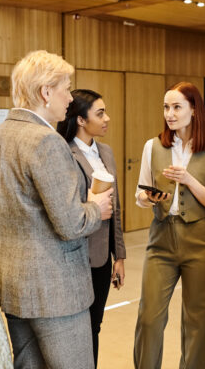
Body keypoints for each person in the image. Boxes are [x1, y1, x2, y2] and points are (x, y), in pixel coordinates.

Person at [0, 50, 114, 369]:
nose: (69, 98)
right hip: (55, 290)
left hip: (12, 284)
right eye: (66, 88)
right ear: (45, 92)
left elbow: (1, 211)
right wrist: (96, 207)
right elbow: (71, 223)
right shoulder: (46, 142)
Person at [134, 81, 205, 369]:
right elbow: (140, 195)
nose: (169, 114)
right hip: (161, 239)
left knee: (196, 323)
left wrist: (189, 180)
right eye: (166, 107)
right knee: (149, 318)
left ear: (194, 110)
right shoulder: (152, 147)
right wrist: (148, 198)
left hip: (200, 243)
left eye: (177, 107)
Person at [56, 89, 126, 368]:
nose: (107, 118)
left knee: (95, 325)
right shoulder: (63, 152)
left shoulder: (106, 152)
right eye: (100, 113)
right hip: (74, 257)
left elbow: (116, 209)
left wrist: (119, 256)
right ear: (81, 120)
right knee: (77, 330)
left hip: (100, 258)